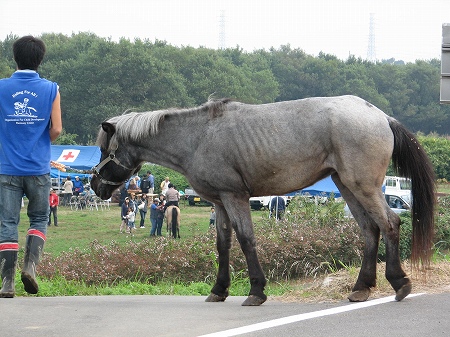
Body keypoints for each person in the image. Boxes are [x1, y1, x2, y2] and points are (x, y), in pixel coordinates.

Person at [0, 35, 62, 298]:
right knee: (38, 218)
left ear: (15, 58)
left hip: (6, 168)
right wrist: (37, 144)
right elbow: (57, 128)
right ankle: (30, 268)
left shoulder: (1, 87)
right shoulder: (51, 89)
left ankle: (7, 284)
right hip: (38, 169)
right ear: (40, 59)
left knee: (7, 223)